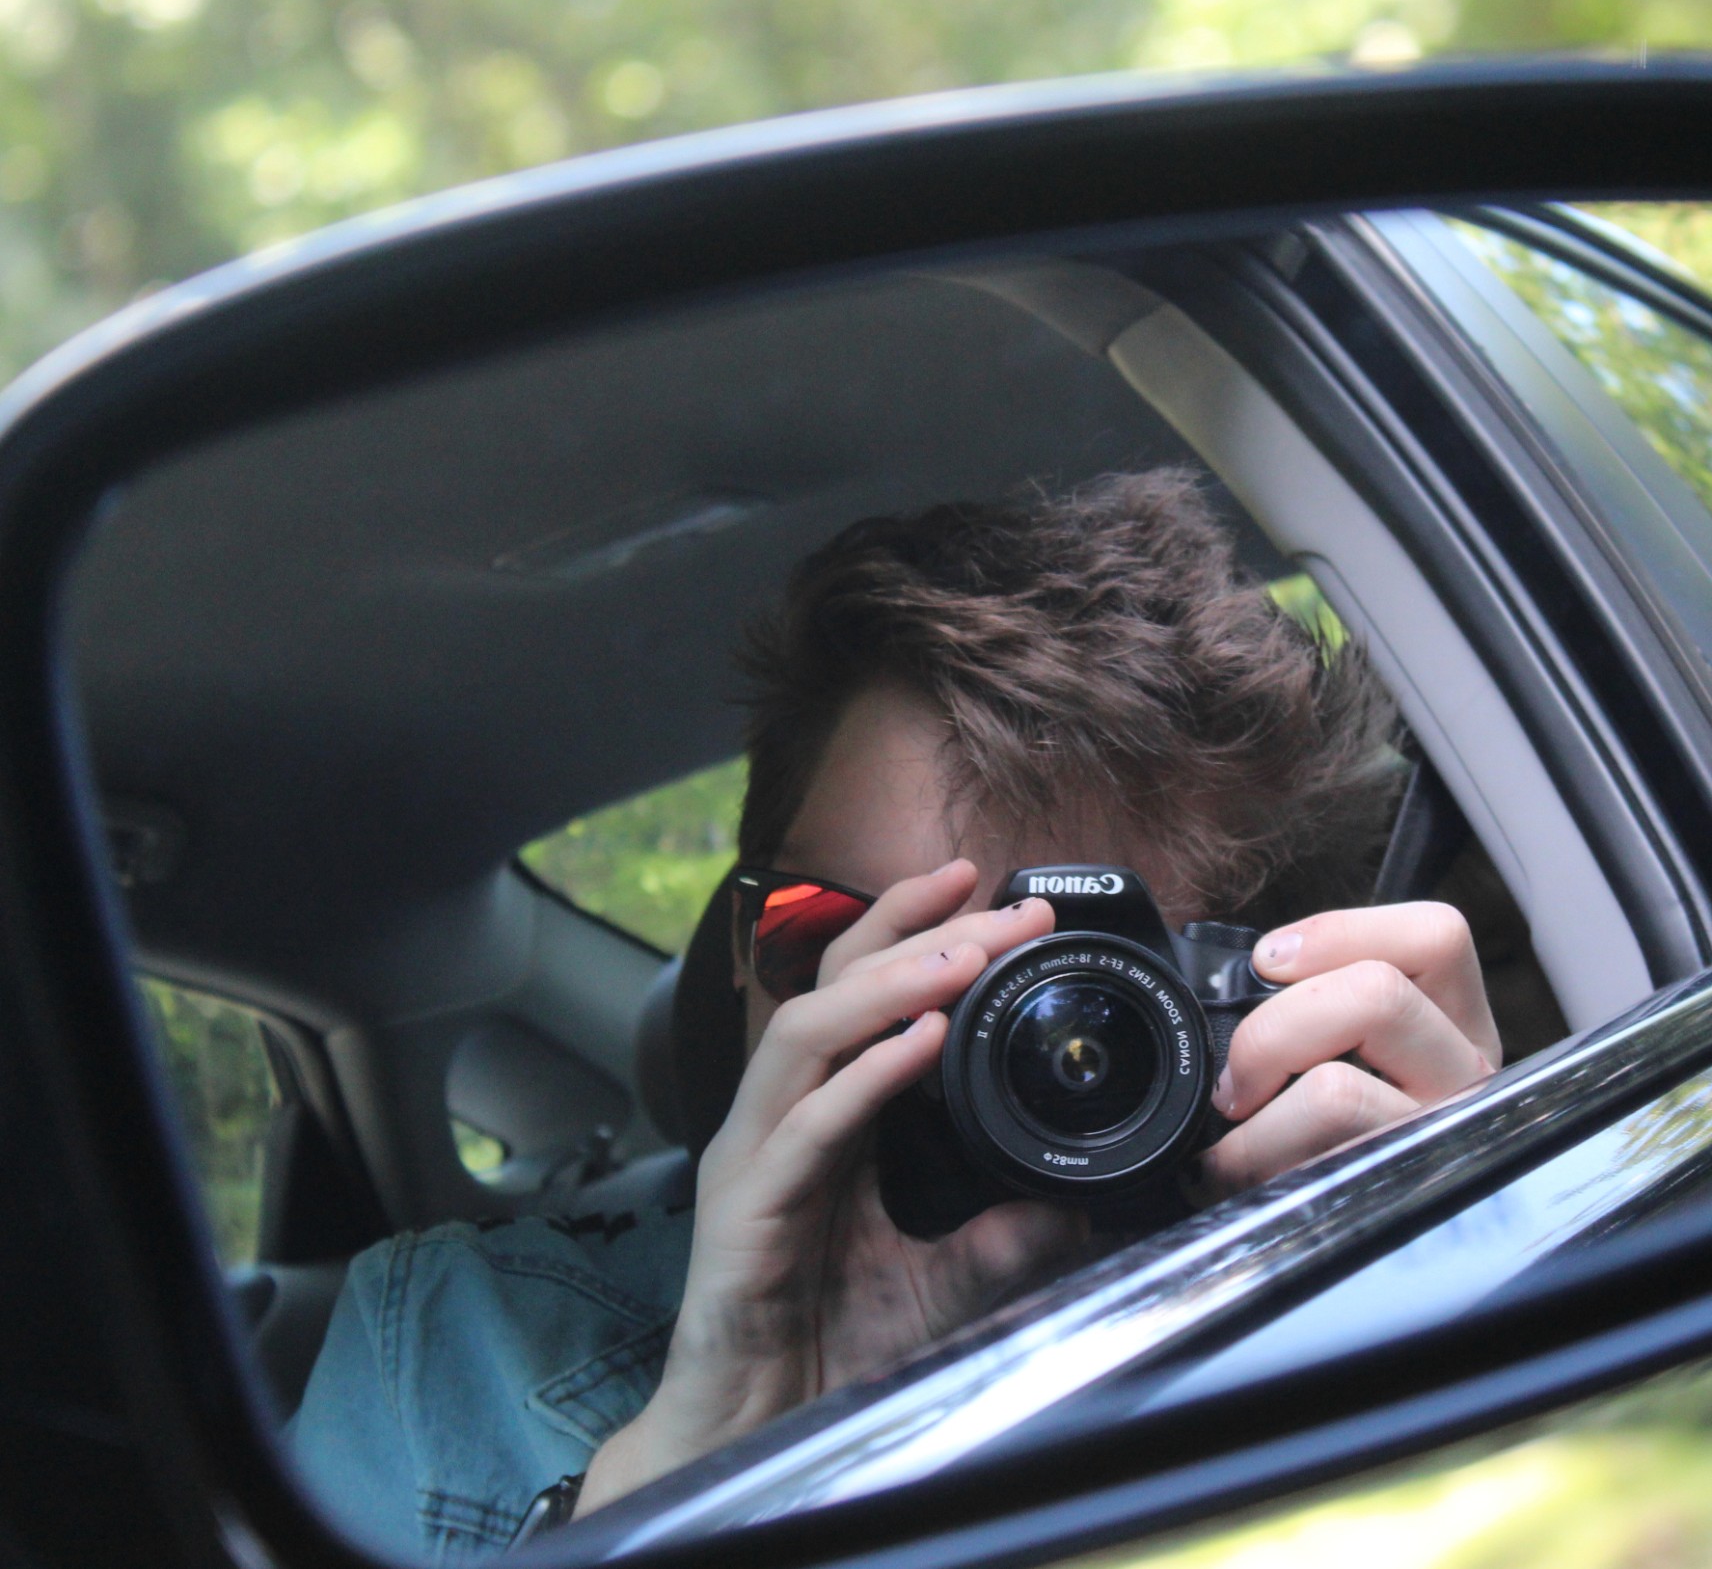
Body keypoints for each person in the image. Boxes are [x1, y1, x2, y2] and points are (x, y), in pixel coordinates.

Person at [285, 470, 1501, 1558]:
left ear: (1265, 994)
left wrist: (1454, 1271)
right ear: (739, 954)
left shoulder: (1351, 1300)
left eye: (1084, 993)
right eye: (845, 938)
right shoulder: (452, 1354)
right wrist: (675, 1491)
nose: (967, 1041)